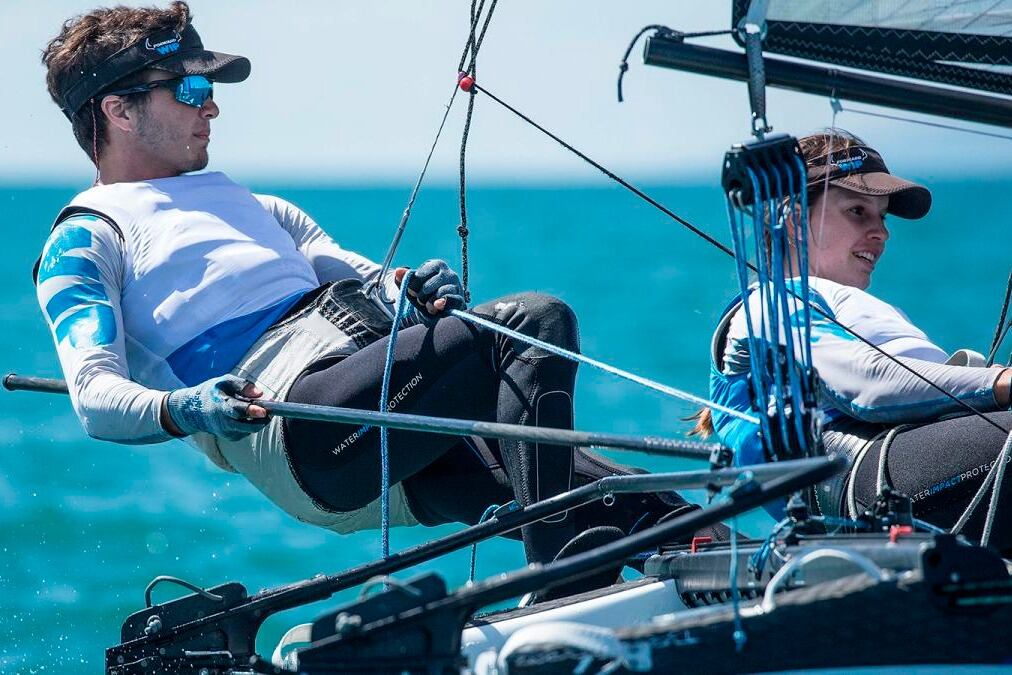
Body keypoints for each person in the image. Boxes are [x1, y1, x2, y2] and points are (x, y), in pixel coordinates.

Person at [37, 2, 723, 569]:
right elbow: (94, 397)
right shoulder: (87, 237)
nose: (210, 107)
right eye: (189, 90)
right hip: (305, 433)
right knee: (533, 322)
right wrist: (185, 407)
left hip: (385, 413)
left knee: (644, 505)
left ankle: (714, 568)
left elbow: (367, 279)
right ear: (119, 111)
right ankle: (560, 581)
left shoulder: (261, 209)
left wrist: (410, 293)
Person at [695, 129, 1012, 549]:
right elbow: (870, 384)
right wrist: (1000, 382)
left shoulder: (830, 302)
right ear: (794, 220)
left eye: (882, 217)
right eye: (858, 211)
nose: (881, 232)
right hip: (867, 485)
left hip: (911, 461)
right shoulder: (770, 305)